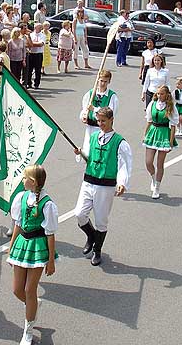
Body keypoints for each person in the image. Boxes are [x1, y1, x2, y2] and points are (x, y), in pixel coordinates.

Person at [73, 106, 131, 266]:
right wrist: (81, 153)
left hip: (105, 186)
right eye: (98, 121)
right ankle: (91, 236)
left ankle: (97, 250)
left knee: (101, 220)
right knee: (79, 213)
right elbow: (90, 156)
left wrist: (122, 183)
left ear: (112, 120)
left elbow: (124, 165)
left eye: (103, 121)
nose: (100, 124)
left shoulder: (120, 142)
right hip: (89, 180)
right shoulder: (93, 137)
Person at [8, 164, 57, 345]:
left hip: (38, 246)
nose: (22, 180)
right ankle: (34, 304)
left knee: (29, 289)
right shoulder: (21, 197)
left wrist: (51, 261)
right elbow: (18, 225)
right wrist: (11, 246)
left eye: (25, 177)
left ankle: (27, 332)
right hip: (22, 243)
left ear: (33, 181)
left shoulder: (47, 203)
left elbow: (50, 234)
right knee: (17, 290)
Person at [143, 85, 178, 200]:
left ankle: (157, 187)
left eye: (161, 94)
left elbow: (173, 125)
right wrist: (145, 135)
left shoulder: (170, 106)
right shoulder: (152, 104)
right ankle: (153, 178)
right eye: (158, 93)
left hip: (164, 134)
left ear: (167, 94)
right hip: (153, 132)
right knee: (148, 162)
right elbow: (149, 121)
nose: (159, 96)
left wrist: (171, 142)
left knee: (159, 164)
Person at [78, 70, 118, 159]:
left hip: (103, 129)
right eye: (101, 81)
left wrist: (95, 109)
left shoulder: (112, 96)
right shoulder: (90, 94)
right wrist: (84, 116)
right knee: (87, 153)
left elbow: (110, 114)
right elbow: (84, 109)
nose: (103, 84)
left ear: (109, 82)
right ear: (97, 80)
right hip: (90, 128)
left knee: (100, 154)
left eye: (105, 81)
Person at [27, 23, 46, 89]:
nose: (41, 29)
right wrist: (32, 44)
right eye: (39, 27)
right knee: (29, 70)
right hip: (31, 53)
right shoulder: (31, 35)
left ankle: (36, 84)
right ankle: (28, 83)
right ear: (35, 28)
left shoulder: (43, 35)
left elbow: (40, 44)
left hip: (38, 54)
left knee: (38, 70)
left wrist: (32, 44)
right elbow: (28, 44)